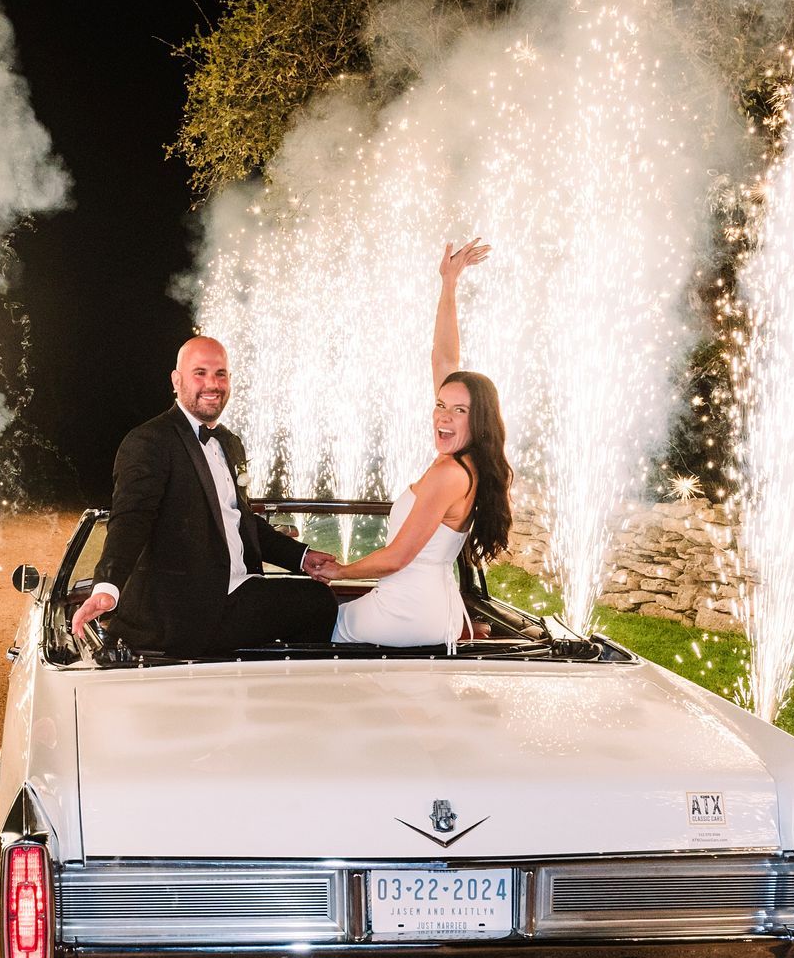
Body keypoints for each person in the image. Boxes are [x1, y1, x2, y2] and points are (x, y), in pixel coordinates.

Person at [70, 336, 338, 657]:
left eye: (220, 374)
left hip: (239, 590)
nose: (212, 384)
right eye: (200, 373)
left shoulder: (230, 442)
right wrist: (107, 586)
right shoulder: (149, 440)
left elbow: (240, 520)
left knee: (317, 599)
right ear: (176, 380)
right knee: (317, 604)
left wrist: (301, 557)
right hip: (186, 611)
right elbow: (131, 519)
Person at [312, 238, 514, 646]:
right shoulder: (471, 462)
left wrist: (339, 572)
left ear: (479, 420)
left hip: (406, 611)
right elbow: (444, 359)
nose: (443, 415)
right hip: (429, 606)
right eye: (441, 405)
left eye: (459, 410)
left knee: (307, 623)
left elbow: (398, 558)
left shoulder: (448, 472)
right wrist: (448, 283)